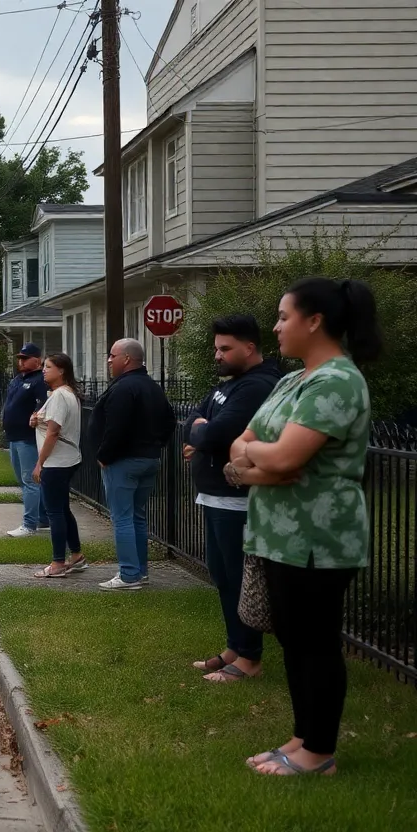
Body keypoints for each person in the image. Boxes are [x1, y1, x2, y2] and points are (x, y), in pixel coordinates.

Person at [229, 278, 379, 776]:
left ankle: (319, 752)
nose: (275, 326)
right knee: (295, 642)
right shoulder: (292, 380)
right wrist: (258, 462)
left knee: (316, 643)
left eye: (284, 316)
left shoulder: (337, 381)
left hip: (318, 540)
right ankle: (301, 738)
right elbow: (244, 442)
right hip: (279, 535)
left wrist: (258, 460)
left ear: (314, 321)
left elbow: (289, 455)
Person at [182, 315, 281, 683]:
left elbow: (218, 431)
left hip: (237, 499)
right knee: (222, 577)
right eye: (216, 349)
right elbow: (193, 419)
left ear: (249, 347)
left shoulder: (257, 386)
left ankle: (250, 657)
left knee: (240, 579)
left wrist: (205, 432)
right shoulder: (230, 386)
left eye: (225, 349)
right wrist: (201, 428)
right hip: (213, 497)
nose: (218, 356)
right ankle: (234, 647)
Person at [88, 338, 176, 591]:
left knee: (122, 518)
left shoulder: (124, 389)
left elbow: (117, 428)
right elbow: (169, 421)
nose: (109, 360)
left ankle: (128, 574)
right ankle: (140, 571)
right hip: (148, 459)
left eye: (112, 355)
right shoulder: (152, 387)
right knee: (137, 517)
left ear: (126, 359)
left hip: (123, 462)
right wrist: (156, 445)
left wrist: (104, 455)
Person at [29, 354, 87, 578]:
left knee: (54, 512)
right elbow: (49, 423)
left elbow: (54, 432)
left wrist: (39, 463)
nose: (44, 370)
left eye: (48, 367)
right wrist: (36, 420)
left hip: (56, 462)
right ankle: (76, 555)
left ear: (61, 371)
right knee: (62, 508)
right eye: (43, 366)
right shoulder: (66, 394)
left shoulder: (60, 396)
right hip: (68, 459)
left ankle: (57, 563)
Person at [3, 344, 49, 539]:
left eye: (25, 358)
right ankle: (43, 518)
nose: (20, 362)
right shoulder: (18, 379)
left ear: (37, 360)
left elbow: (45, 406)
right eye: (19, 358)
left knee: (30, 481)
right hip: (14, 436)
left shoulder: (40, 381)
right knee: (24, 480)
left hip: (28, 438)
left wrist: (36, 415)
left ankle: (29, 524)